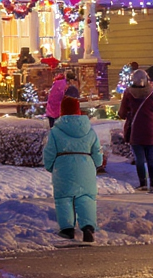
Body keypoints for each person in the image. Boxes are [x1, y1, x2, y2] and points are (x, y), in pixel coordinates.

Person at [43, 96, 103, 242]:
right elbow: (97, 151)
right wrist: (96, 164)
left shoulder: (56, 131)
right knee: (86, 198)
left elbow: (49, 152)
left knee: (64, 198)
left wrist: (50, 166)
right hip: (86, 166)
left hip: (63, 166)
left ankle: (67, 229)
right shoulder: (89, 130)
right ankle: (88, 228)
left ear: (62, 111)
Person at [118, 68, 153, 192]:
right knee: (151, 158)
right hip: (152, 131)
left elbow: (122, 113)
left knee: (139, 159)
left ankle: (142, 183)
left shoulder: (128, 93)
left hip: (136, 131)